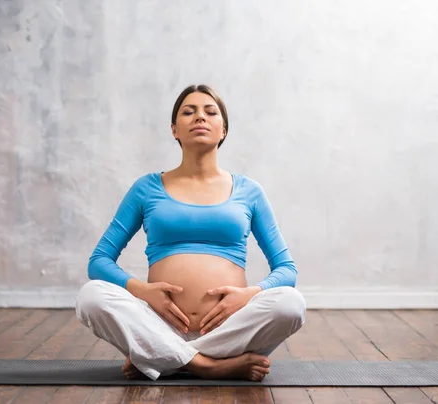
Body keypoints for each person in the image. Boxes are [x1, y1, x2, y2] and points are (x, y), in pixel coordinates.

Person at [75, 84, 306, 382]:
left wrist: (247, 297)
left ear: (223, 130)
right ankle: (208, 366)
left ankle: (163, 358)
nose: (200, 117)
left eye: (210, 112)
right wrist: (143, 291)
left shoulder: (250, 191)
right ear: (174, 129)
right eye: (189, 112)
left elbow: (287, 269)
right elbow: (99, 262)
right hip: (158, 325)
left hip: (229, 328)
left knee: (291, 303)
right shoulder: (146, 188)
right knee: (90, 296)